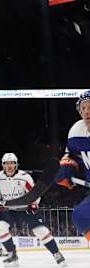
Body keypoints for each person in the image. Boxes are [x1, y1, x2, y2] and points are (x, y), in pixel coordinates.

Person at [0, 153, 66, 267]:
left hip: (25, 209)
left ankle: (57, 253)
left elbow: (36, 193)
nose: (9, 166)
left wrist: (34, 204)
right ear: (3, 165)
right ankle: (12, 256)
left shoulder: (25, 177)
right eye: (6, 164)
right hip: (9, 210)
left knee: (40, 231)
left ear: (16, 165)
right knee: (0, 227)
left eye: (12, 163)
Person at [56, 90, 90, 242]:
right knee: (81, 215)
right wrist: (66, 169)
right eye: (83, 108)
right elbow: (70, 154)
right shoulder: (77, 132)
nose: (87, 112)